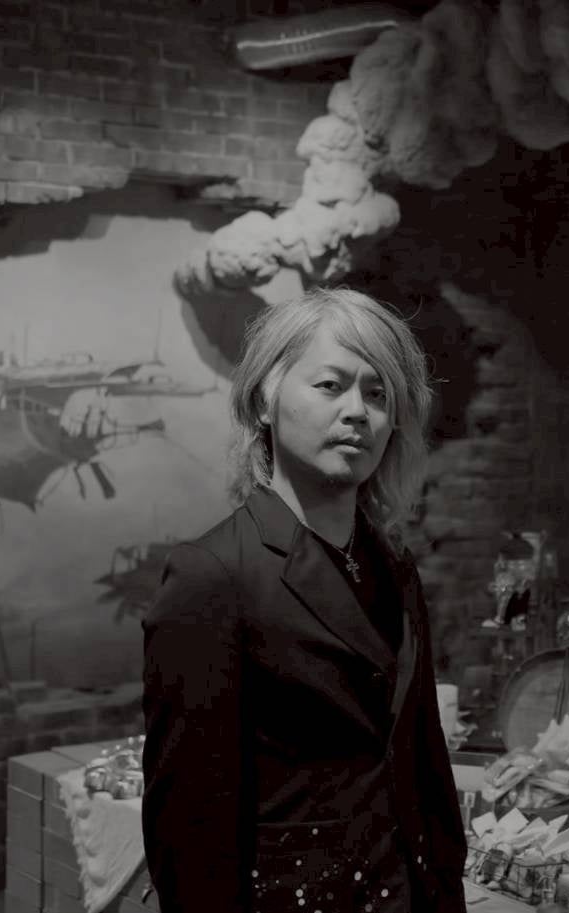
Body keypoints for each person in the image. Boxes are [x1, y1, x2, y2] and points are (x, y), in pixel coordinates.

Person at [141, 287, 466, 913]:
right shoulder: (212, 575)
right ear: (265, 398)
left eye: (378, 394)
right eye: (330, 386)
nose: (358, 412)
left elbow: (425, 764)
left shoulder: (394, 568)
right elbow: (189, 828)